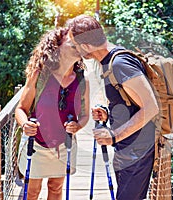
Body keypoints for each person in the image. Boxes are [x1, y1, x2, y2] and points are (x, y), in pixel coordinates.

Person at [68, 15, 159, 200]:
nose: (73, 49)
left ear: (85, 46)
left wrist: (114, 135)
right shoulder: (107, 63)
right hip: (126, 150)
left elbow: (151, 107)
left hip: (137, 152)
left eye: (74, 45)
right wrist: (107, 112)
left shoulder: (120, 63)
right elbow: (131, 102)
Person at [15, 26, 90, 200]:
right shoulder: (39, 75)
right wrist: (25, 124)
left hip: (64, 145)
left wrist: (78, 125)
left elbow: (85, 115)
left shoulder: (82, 80)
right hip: (37, 144)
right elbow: (21, 109)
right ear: (57, 47)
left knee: (56, 188)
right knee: (32, 191)